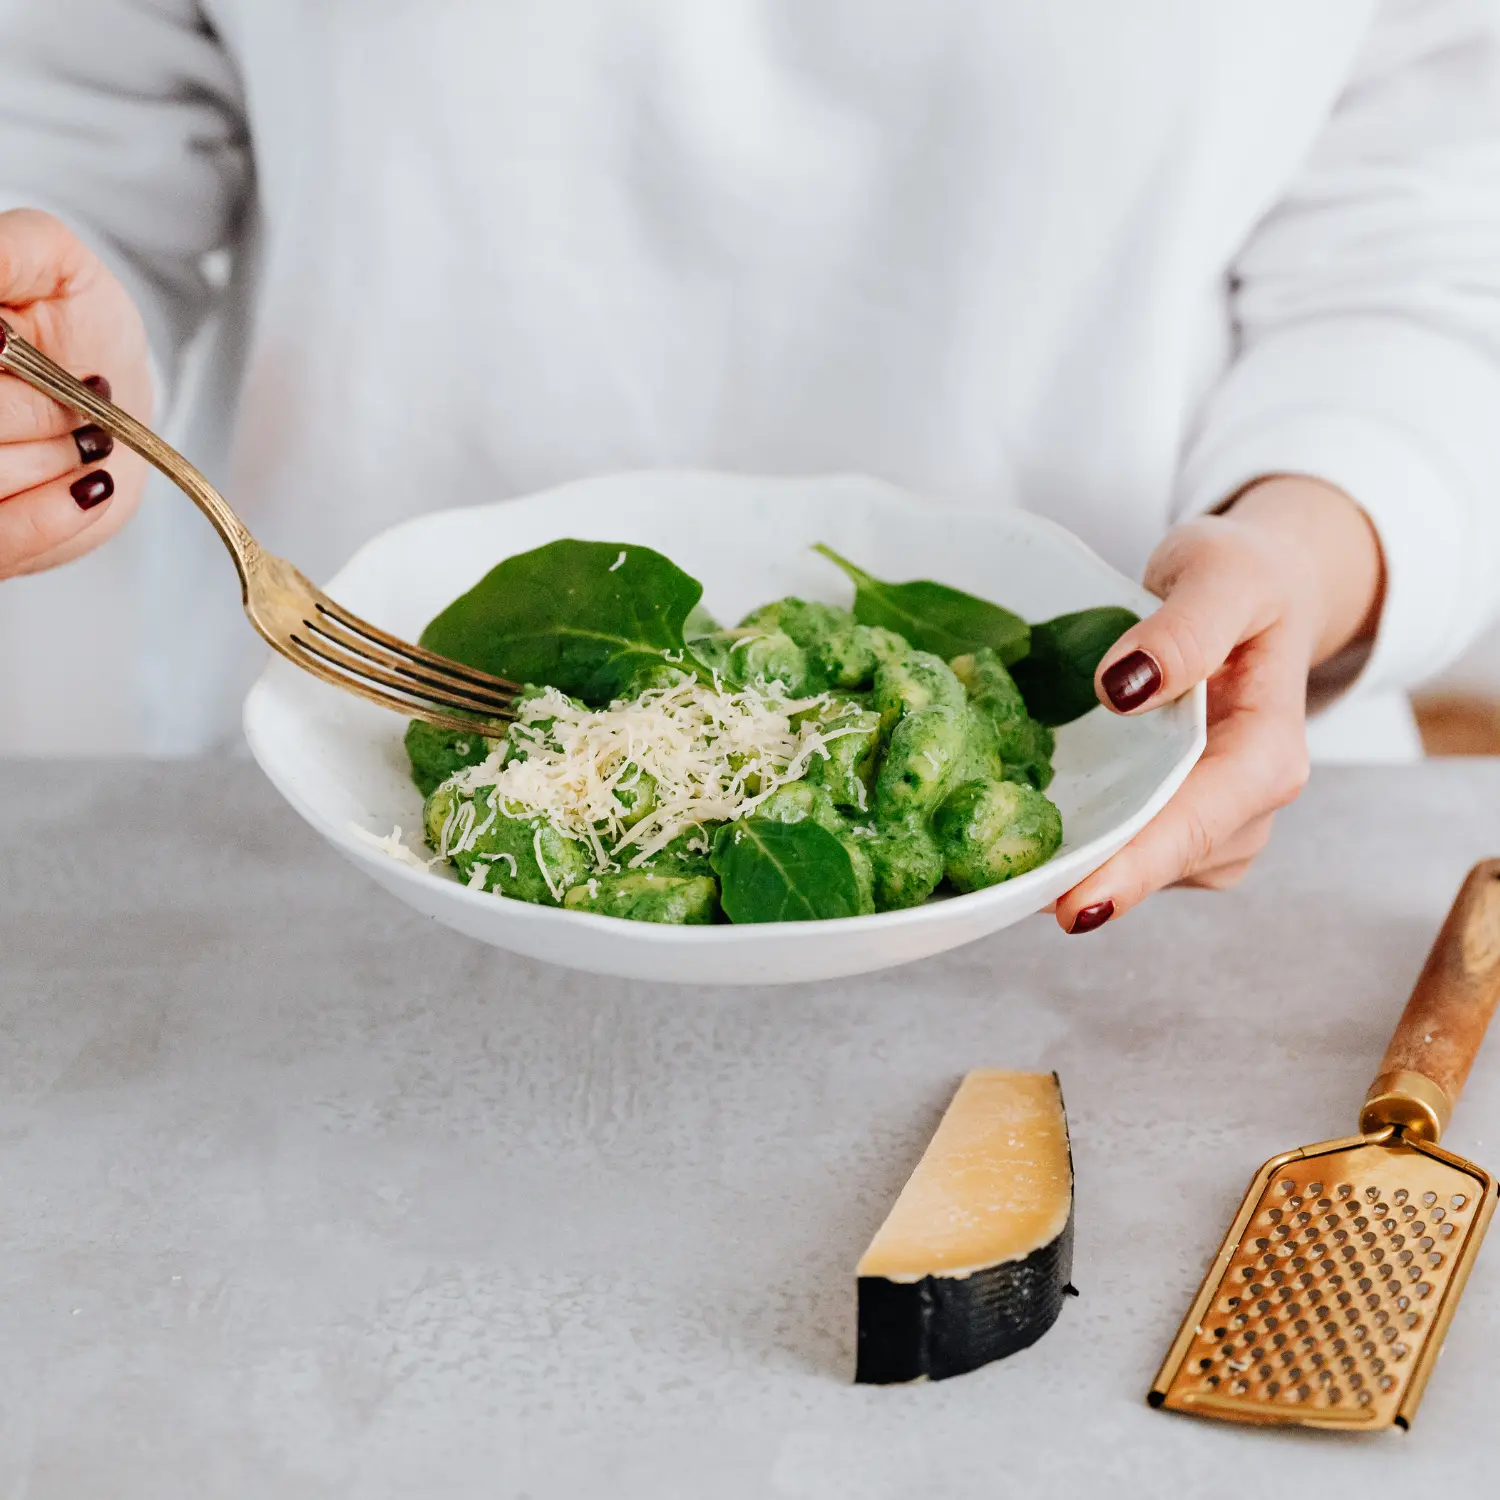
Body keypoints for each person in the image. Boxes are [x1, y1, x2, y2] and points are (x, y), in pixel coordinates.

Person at [2, 1, 1498, 934]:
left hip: (1154, 874)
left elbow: (1428, 256)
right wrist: (49, 352)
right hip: (345, 858)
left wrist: (1310, 545)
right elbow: (70, 134)